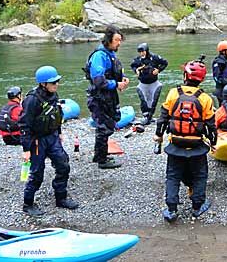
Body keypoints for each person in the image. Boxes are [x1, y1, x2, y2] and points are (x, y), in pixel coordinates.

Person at [154, 56, 217, 223]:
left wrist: (159, 135)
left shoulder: (173, 93)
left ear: (185, 76)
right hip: (197, 145)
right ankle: (197, 207)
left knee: (173, 176)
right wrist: (214, 143)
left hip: (175, 144)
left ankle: (171, 210)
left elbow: (163, 118)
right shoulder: (205, 98)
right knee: (200, 176)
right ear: (201, 79)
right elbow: (211, 125)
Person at [19, 65, 78, 216]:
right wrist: (26, 149)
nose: (56, 84)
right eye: (53, 82)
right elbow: (24, 124)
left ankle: (61, 197)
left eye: (57, 81)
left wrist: (58, 132)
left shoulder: (53, 95)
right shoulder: (32, 100)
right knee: (37, 174)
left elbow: (56, 115)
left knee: (63, 165)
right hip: (37, 141)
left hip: (52, 137)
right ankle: (28, 203)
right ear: (43, 84)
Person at [85, 25, 129, 169]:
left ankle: (99, 155)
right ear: (108, 40)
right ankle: (102, 161)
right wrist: (116, 84)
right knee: (104, 127)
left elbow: (113, 72)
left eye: (120, 40)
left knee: (108, 123)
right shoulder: (99, 56)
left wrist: (122, 79)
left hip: (107, 97)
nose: (119, 43)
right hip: (98, 98)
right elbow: (98, 80)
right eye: (117, 40)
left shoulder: (110, 54)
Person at [130, 42, 168, 125]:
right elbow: (132, 65)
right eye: (140, 52)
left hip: (154, 83)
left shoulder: (154, 57)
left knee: (153, 101)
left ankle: (150, 117)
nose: (141, 54)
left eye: (143, 52)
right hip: (143, 83)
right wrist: (136, 70)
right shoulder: (137, 59)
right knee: (144, 100)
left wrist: (158, 70)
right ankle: (146, 116)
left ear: (147, 51)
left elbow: (165, 63)